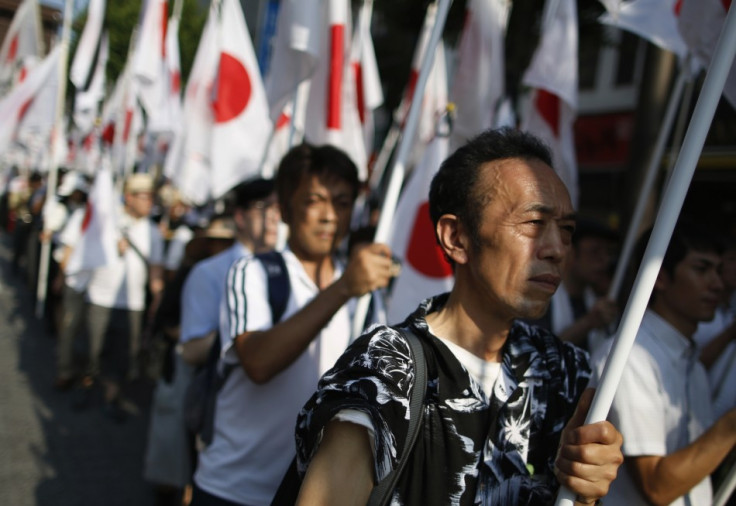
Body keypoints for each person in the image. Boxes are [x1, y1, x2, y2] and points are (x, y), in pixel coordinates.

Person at [292, 128, 623, 505]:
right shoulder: (387, 370)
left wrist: (584, 489)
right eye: (533, 223)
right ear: (456, 238)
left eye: (566, 230)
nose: (556, 249)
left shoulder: (563, 372)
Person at [189, 144, 395, 506]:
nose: (330, 216)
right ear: (284, 210)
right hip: (235, 491)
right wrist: (343, 288)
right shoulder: (254, 273)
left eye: (343, 203)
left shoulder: (366, 294)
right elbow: (258, 362)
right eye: (315, 200)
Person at [592, 222, 736, 505]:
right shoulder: (630, 357)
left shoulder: (691, 364)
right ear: (659, 277)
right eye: (701, 269)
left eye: (718, 271)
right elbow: (657, 487)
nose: (717, 284)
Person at [79, 173, 165, 421]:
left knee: (123, 355)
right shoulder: (108, 221)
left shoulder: (153, 232)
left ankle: (110, 397)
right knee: (95, 349)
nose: (149, 202)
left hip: (133, 303)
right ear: (129, 197)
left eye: (151, 197)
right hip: (100, 297)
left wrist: (157, 294)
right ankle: (88, 386)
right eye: (144, 196)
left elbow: (156, 267)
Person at [179, 178, 280, 368]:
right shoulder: (208, 272)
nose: (273, 217)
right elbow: (191, 351)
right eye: (263, 207)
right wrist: (244, 333)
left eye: (278, 208)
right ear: (240, 217)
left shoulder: (289, 269)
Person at [531, 218, 619, 353]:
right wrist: (589, 322)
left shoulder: (597, 300)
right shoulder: (540, 298)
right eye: (594, 252)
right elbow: (536, 352)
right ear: (570, 253)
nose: (604, 260)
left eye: (608, 253)